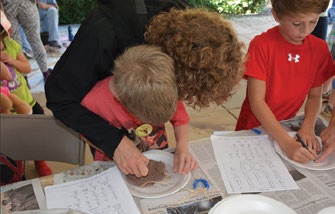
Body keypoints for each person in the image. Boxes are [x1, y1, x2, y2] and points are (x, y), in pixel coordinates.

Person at [45, 0, 245, 178]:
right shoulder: (105, 31)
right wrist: (115, 143)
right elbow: (60, 98)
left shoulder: (185, 25)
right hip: (106, 123)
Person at [235, 0, 334, 164]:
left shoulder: (319, 49)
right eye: (296, 23)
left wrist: (308, 127)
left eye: (313, 22)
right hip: (254, 126)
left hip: (287, 124)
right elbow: (257, 102)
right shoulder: (262, 45)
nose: (305, 30)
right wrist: (286, 143)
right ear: (276, 15)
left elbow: (315, 95)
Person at [81, 44, 198, 173]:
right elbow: (86, 134)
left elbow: (180, 120)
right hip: (115, 166)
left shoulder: (161, 90)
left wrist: (182, 147)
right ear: (123, 101)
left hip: (158, 154)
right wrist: (117, 148)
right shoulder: (92, 101)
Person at [0, 10, 52, 177]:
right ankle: (18, 167)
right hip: (7, 111)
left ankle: (39, 160)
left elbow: (27, 68)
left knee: (38, 132)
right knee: (14, 143)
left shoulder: (12, 46)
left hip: (27, 102)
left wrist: (12, 60)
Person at [1, 0, 52, 81]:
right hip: (26, 3)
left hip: (7, 5)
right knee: (35, 40)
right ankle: (45, 72)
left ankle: (23, 77)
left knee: (15, 42)